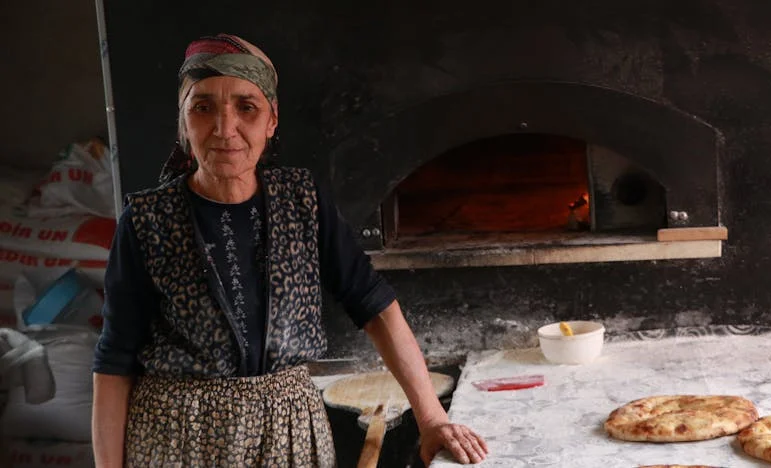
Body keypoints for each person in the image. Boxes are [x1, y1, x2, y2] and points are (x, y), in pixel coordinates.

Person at [91, 33, 488, 467]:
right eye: (202, 107)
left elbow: (375, 305)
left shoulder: (302, 200)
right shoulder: (148, 219)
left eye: (246, 107)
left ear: (271, 120)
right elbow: (114, 362)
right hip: (179, 438)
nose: (225, 129)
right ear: (184, 122)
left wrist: (430, 418)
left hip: (286, 436)